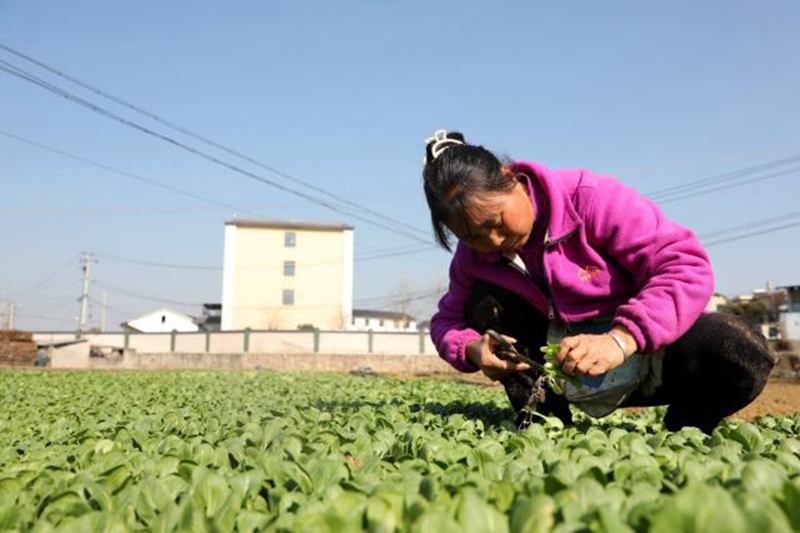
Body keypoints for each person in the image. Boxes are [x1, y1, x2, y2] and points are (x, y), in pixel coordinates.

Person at [422, 129, 775, 433]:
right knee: (483, 303)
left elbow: (684, 265)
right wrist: (471, 348)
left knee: (739, 353)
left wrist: (619, 341)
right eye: (472, 237)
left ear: (510, 177)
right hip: (556, 375)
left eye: (495, 221)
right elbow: (446, 321)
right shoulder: (472, 259)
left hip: (646, 353)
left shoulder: (590, 198)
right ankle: (543, 422)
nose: (493, 241)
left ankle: (683, 430)